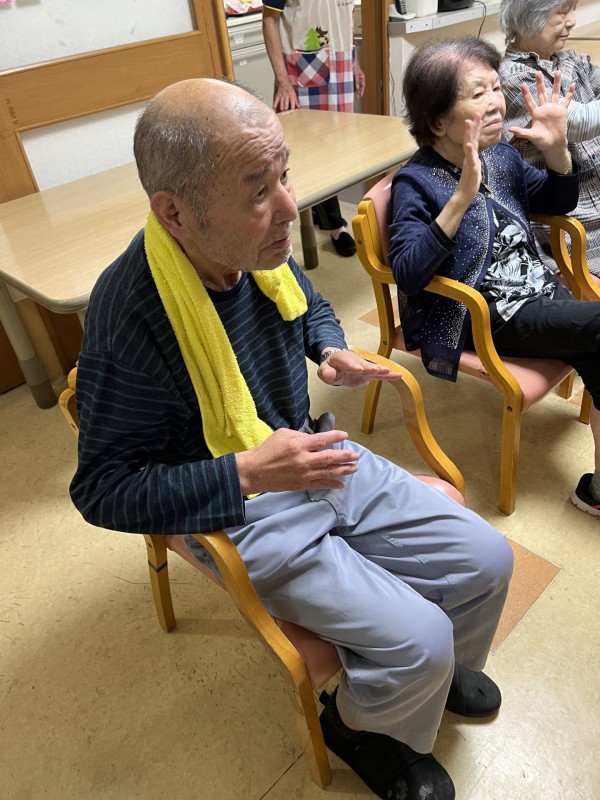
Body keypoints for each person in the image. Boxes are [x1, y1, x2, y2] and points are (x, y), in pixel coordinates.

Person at [70, 77, 514, 800]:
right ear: (174, 213)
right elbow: (101, 491)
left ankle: (428, 676)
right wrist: (246, 473)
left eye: (285, 175)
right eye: (258, 190)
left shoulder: (259, 250)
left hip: (308, 452)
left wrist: (329, 347)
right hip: (238, 503)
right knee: (420, 637)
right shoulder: (130, 317)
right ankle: (360, 726)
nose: (288, 207)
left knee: (488, 560)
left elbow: (310, 307)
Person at [390, 34, 600, 517]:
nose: (496, 102)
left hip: (535, 292)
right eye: (477, 93)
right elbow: (407, 273)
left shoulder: (501, 155)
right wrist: (460, 198)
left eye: (494, 88)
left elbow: (558, 201)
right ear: (437, 121)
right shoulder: (414, 182)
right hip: (481, 315)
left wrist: (558, 150)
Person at [499, 0, 600, 277]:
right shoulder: (512, 79)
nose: (572, 20)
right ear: (530, 16)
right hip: (575, 233)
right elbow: (577, 122)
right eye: (563, 11)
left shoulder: (570, 60)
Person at [262, 0, 364, 257]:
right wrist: (282, 81)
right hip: (301, 71)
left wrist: (354, 63)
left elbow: (345, 16)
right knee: (306, 151)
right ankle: (334, 224)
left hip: (341, 67)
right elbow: (270, 20)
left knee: (337, 146)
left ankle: (325, 214)